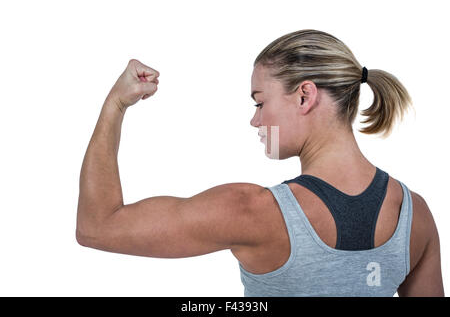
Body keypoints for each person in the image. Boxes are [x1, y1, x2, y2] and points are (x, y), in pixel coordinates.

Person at [76, 29, 444, 297]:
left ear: (304, 96)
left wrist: (115, 104)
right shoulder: (415, 215)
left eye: (259, 102)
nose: (255, 120)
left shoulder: (252, 211)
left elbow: (97, 227)